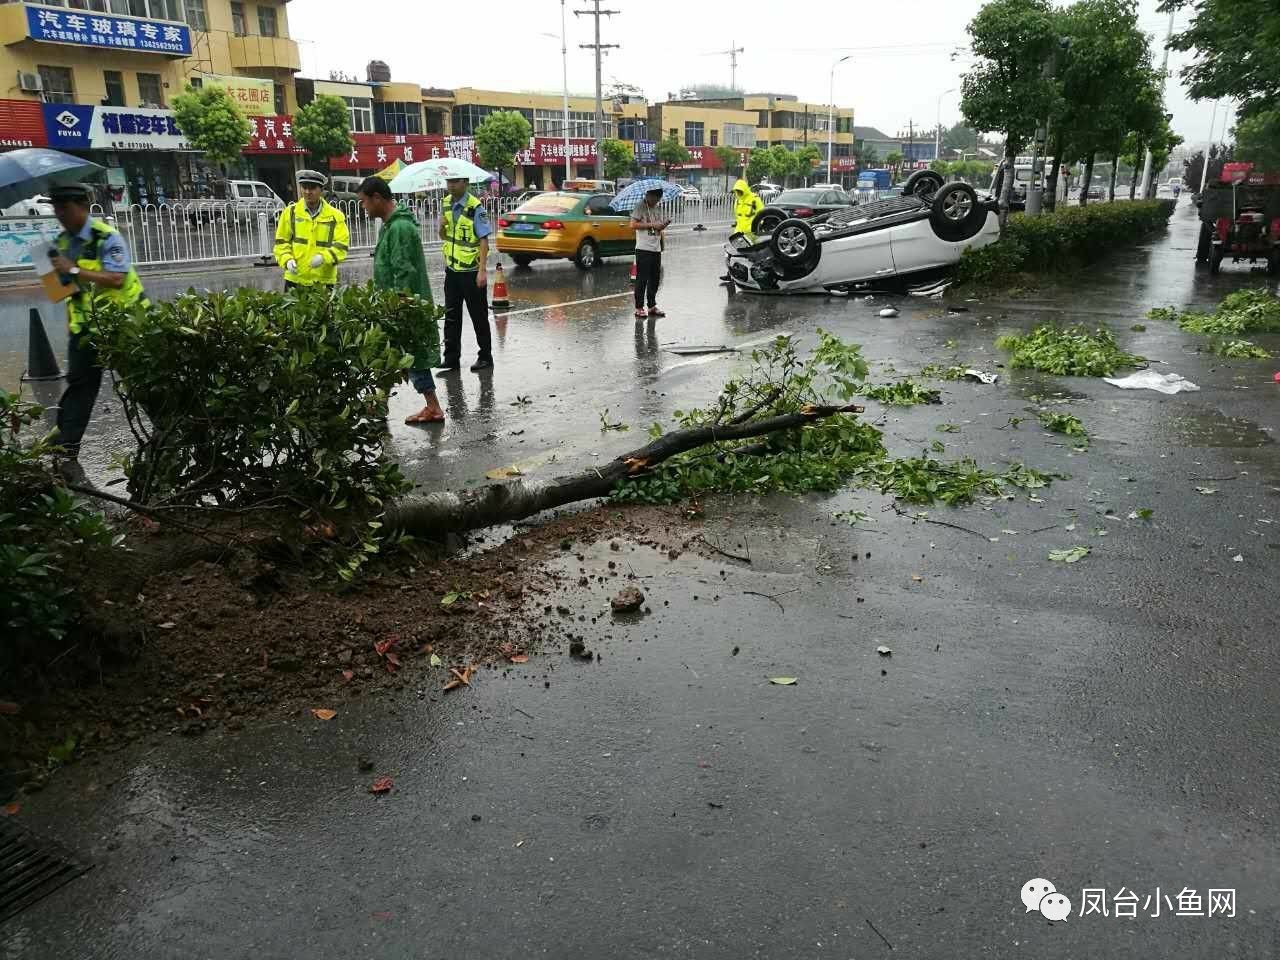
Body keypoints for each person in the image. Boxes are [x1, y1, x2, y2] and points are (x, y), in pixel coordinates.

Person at [46, 183, 148, 480]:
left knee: (141, 385)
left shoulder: (107, 237)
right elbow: (61, 291)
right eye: (56, 209)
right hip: (84, 330)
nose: (60, 215)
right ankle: (64, 450)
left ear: (82, 207)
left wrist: (74, 269)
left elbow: (116, 279)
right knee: (80, 389)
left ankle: (171, 435)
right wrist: (54, 275)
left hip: (123, 325)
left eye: (65, 208)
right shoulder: (59, 244)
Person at [357, 176, 445, 425]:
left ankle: (427, 407)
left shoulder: (400, 228)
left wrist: (400, 305)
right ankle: (385, 404)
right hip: (393, 303)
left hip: (401, 304)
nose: (363, 208)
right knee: (396, 355)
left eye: (364, 202)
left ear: (377, 198)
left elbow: (403, 270)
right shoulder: (390, 225)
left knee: (407, 355)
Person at [438, 176, 493, 373]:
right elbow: (444, 237)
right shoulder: (445, 204)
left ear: (465, 183)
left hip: (471, 271)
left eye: (455, 182)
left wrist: (482, 270)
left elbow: (484, 240)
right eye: (448, 182)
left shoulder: (475, 207)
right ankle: (451, 358)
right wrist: (441, 227)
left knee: (478, 316)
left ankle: (485, 356)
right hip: (452, 270)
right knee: (451, 316)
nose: (451, 185)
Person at [273, 169, 349, 290]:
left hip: (323, 280)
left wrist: (324, 257)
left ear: (321, 190)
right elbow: (281, 243)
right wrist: (287, 260)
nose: (308, 192)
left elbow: (342, 246)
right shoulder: (290, 213)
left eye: (312, 188)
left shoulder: (335, 216)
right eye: (304, 187)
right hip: (295, 278)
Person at [630, 187, 670, 319]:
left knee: (655, 278)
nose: (656, 202)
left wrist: (662, 225)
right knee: (642, 279)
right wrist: (652, 225)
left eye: (658, 200)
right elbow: (633, 225)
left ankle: (652, 305)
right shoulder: (640, 207)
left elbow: (657, 226)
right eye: (654, 199)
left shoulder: (656, 208)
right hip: (643, 248)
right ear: (648, 195)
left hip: (655, 247)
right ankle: (639, 307)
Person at [721, 179, 764, 282]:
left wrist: (758, 226)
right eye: (737, 191)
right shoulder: (738, 200)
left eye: (740, 190)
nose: (738, 193)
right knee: (732, 254)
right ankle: (730, 274)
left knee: (752, 255)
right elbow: (737, 214)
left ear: (744, 189)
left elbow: (761, 213)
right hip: (739, 232)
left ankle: (758, 274)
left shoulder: (754, 199)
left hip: (751, 233)